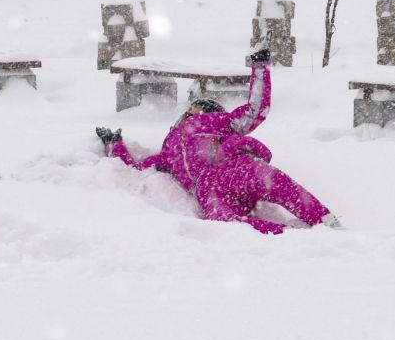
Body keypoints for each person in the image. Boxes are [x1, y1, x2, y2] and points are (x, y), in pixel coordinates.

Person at [96, 47, 338, 234]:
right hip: (209, 188)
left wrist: (260, 67)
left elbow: (256, 110)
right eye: (192, 108)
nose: (193, 112)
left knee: (282, 186)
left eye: (199, 107)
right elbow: (137, 166)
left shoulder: (218, 122)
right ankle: (288, 234)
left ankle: (326, 221)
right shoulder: (169, 151)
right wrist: (114, 144)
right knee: (226, 225)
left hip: (237, 168)